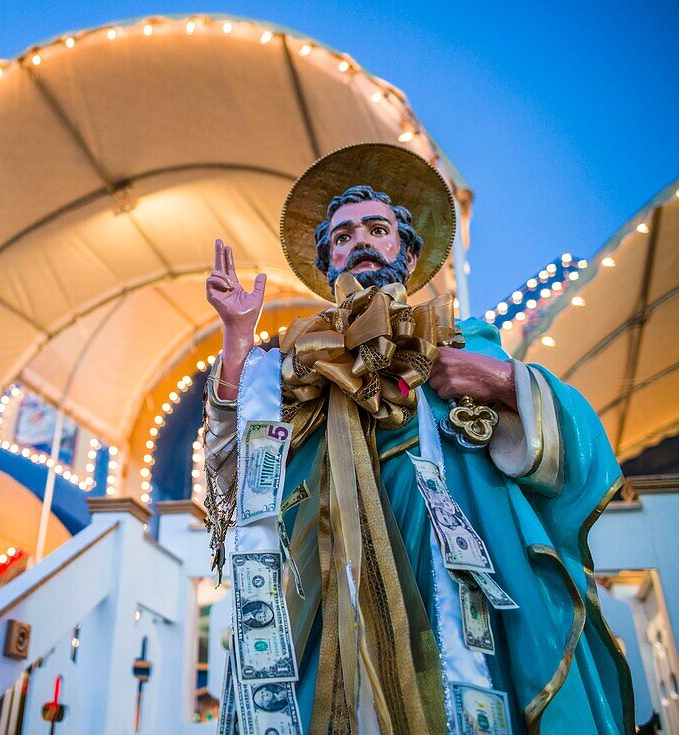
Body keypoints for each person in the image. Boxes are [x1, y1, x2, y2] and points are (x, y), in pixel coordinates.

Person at [204, 144, 633, 733]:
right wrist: (235, 339)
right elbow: (236, 473)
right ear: (328, 260)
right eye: (342, 235)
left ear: (407, 254)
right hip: (329, 580)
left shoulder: (461, 341)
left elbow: (575, 442)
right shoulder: (293, 367)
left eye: (377, 230)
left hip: (454, 575)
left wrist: (502, 381)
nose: (359, 241)